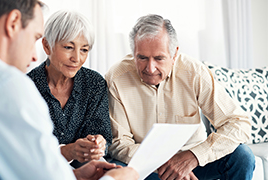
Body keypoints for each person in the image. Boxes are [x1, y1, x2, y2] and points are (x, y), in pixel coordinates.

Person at [0, 0, 138, 179]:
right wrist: (120, 178)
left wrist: (75, 175)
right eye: (34, 37)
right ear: (13, 22)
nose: (34, 56)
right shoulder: (6, 85)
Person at [105, 14, 255, 180]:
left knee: (242, 157)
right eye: (142, 58)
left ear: (174, 54)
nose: (150, 68)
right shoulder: (116, 77)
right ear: (133, 53)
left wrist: (193, 157)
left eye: (159, 58)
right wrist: (167, 165)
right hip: (148, 167)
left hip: (193, 162)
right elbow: (120, 144)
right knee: (119, 171)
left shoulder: (194, 72)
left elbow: (238, 123)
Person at [27, 10, 112, 167]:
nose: (77, 58)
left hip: (87, 168)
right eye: (68, 47)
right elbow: (26, 149)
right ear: (47, 46)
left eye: (84, 50)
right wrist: (67, 151)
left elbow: (102, 134)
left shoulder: (94, 83)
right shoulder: (27, 86)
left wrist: (98, 143)